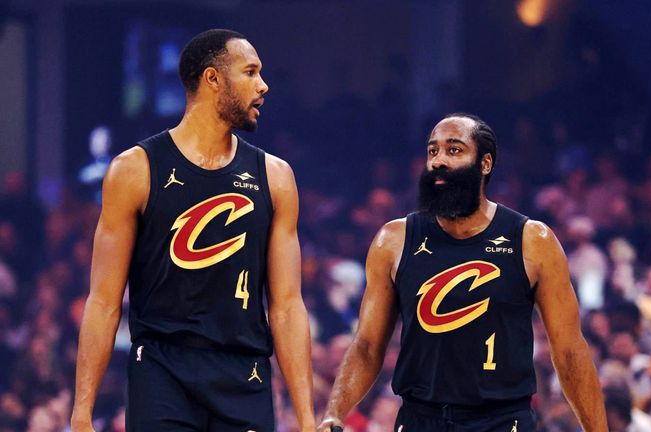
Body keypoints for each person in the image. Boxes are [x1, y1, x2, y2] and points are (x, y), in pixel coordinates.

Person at [71, 29, 315, 431]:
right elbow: (103, 301)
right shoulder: (134, 170)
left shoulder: (275, 177)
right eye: (250, 72)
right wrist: (82, 413)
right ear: (212, 78)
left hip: (245, 373)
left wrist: (306, 418)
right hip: (162, 371)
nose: (263, 85)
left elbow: (287, 306)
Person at [318, 113, 607, 431]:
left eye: (454, 150)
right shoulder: (394, 240)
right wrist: (335, 412)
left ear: (485, 163)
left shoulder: (532, 240)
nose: (438, 161)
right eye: (433, 151)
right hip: (421, 418)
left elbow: (569, 352)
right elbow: (367, 346)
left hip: (502, 419)